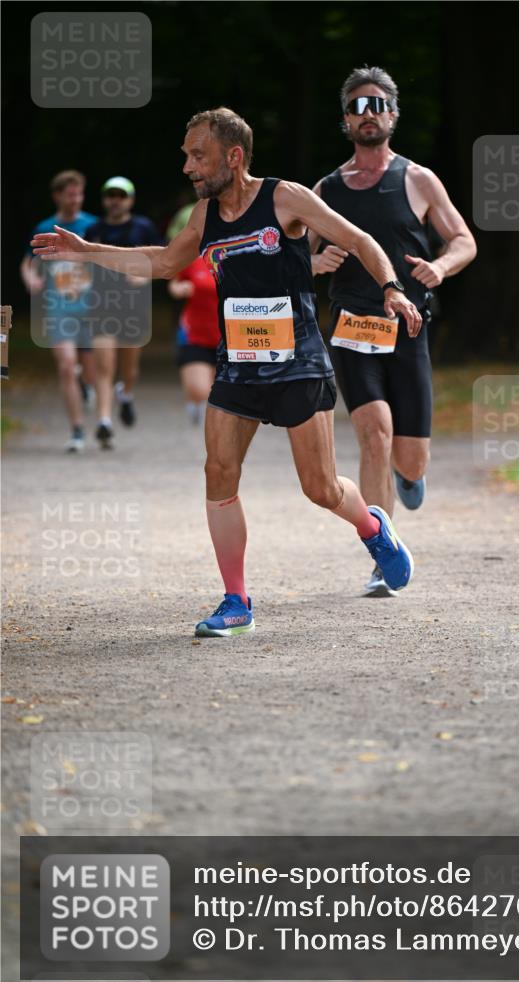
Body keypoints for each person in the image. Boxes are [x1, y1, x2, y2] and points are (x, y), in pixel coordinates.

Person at [32, 106, 422, 636]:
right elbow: (164, 263)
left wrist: (392, 288)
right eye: (186, 156)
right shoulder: (204, 216)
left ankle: (374, 526)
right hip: (238, 365)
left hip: (298, 363)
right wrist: (87, 250)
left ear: (233, 156)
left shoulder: (284, 197)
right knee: (218, 474)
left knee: (320, 489)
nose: (189, 167)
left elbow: (359, 240)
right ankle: (236, 601)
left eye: (199, 155)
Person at [309, 66, 477, 595]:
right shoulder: (326, 190)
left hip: (408, 328)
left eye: (377, 104)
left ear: (393, 115)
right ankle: (383, 552)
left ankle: (411, 476)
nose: (368, 114)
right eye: (358, 106)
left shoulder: (418, 180)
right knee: (373, 430)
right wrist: (317, 262)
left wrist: (441, 268)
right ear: (345, 120)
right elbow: (295, 253)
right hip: (351, 326)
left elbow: (463, 240)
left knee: (409, 454)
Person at [20, 170, 98, 452]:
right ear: (58, 196)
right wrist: (31, 278)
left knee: (91, 370)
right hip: (59, 307)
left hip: (91, 308)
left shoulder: (93, 224)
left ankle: (87, 386)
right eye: (70, 194)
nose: (76, 199)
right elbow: (28, 262)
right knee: (66, 366)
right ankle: (77, 431)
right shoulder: (45, 227)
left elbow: (112, 256)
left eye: (79, 193)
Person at [84, 177, 163, 448]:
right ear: (104, 199)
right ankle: (104, 421)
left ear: (130, 200)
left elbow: (163, 258)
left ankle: (126, 393)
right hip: (102, 305)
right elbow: (82, 262)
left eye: (121, 195)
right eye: (110, 195)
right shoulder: (94, 229)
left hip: (132, 308)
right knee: (104, 367)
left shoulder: (143, 227)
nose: (115, 200)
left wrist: (146, 276)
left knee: (129, 369)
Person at [168, 255, 219, 425]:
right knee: (199, 389)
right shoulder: (192, 260)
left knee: (217, 392)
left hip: (229, 337)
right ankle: (194, 401)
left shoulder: (241, 256)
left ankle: (209, 413)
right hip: (194, 334)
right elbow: (173, 283)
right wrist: (179, 288)